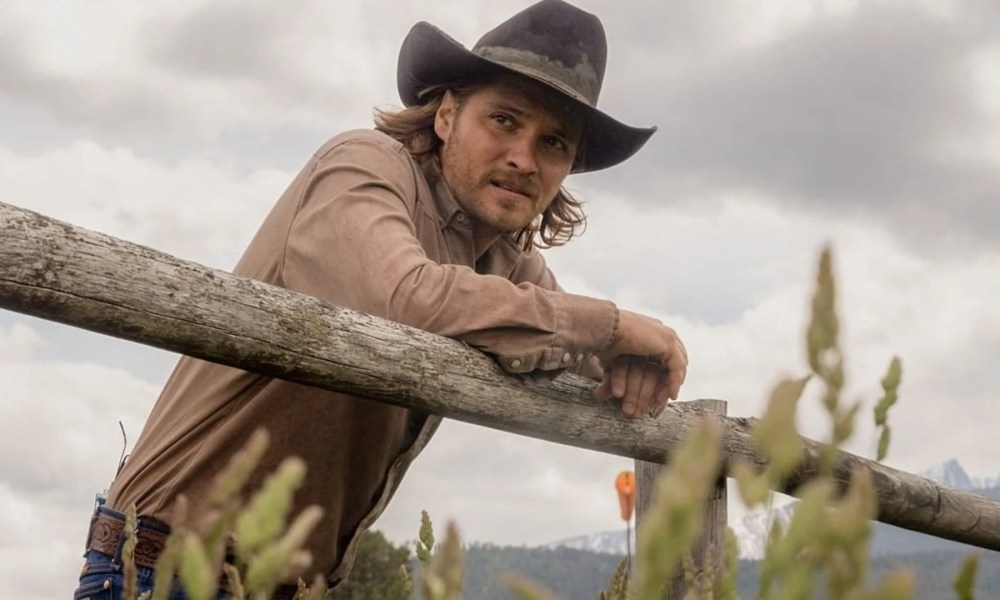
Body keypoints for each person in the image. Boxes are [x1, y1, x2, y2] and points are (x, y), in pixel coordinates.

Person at [73, 1, 688, 598]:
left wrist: (628, 361)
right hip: (165, 565)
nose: (523, 158)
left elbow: (572, 344)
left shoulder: (507, 263)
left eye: (554, 143)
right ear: (446, 115)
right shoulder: (362, 166)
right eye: (504, 120)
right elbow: (405, 299)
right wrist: (611, 328)